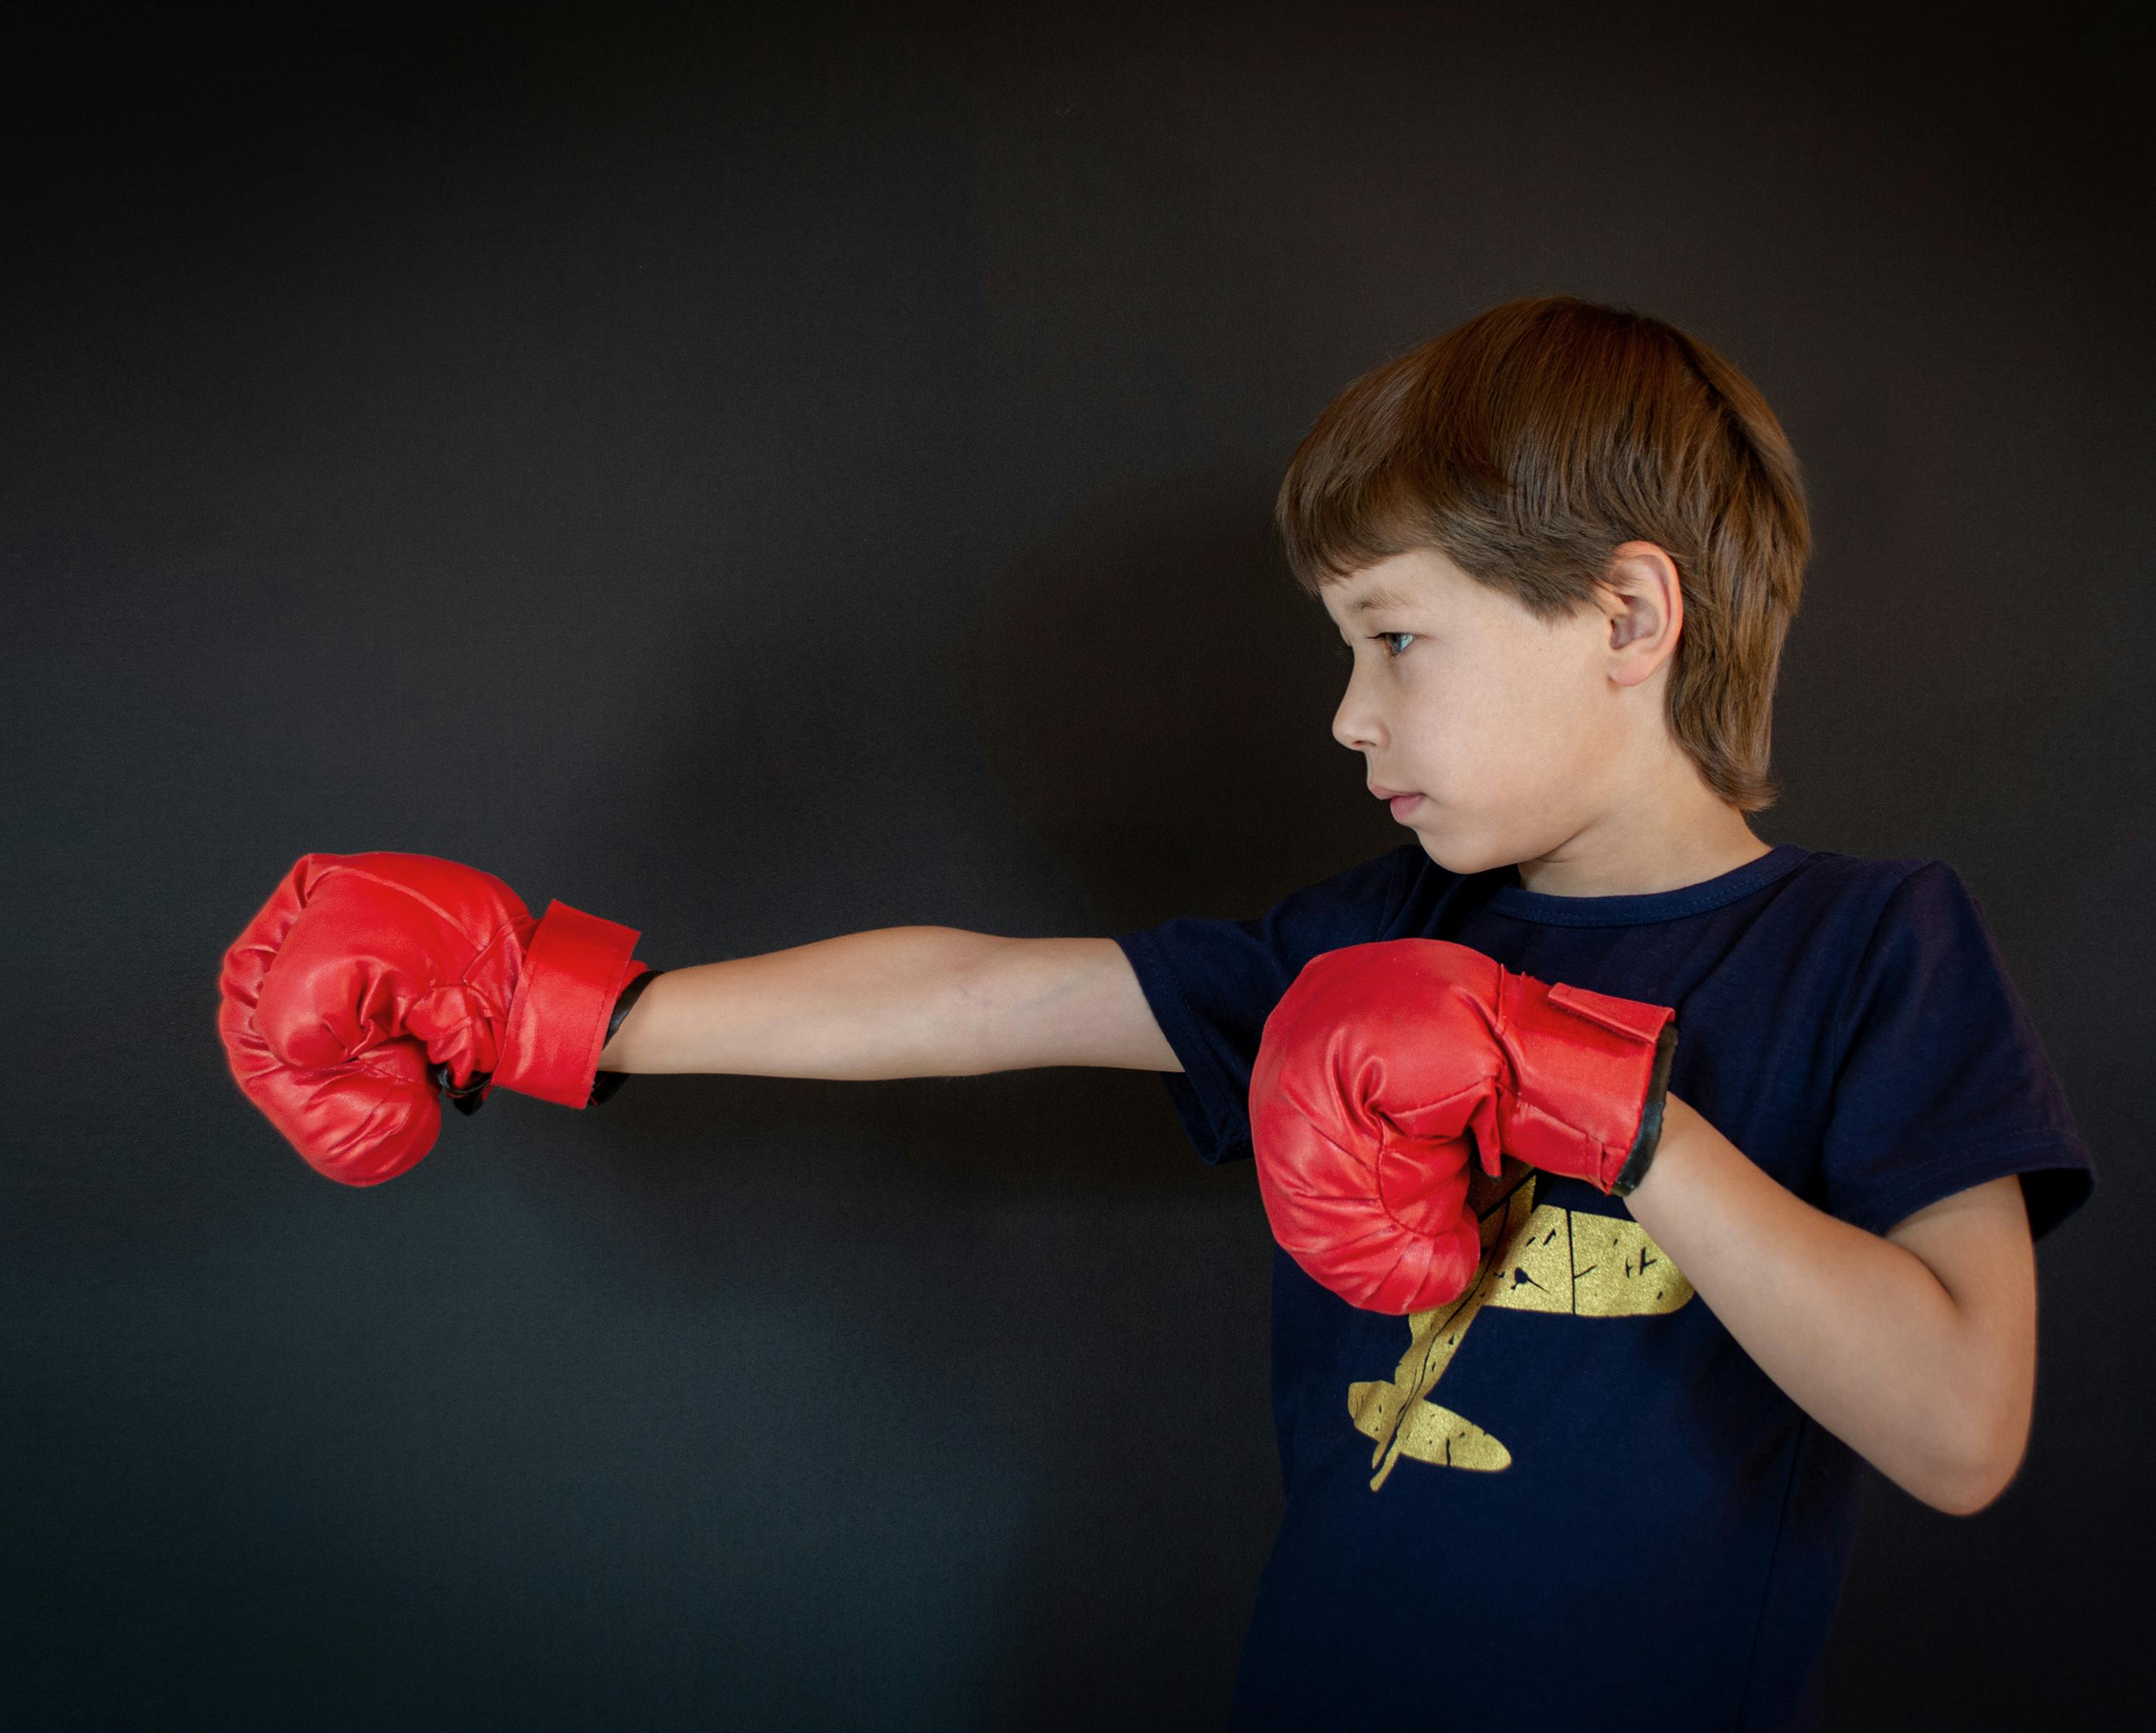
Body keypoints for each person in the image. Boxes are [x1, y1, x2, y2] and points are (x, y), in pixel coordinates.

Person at [217, 295, 2096, 1731]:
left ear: (1626, 617)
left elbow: (1960, 1428)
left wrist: (1610, 1106)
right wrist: (557, 1006)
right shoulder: (1363, 934)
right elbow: (971, 1000)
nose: (1349, 719)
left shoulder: (1876, 949)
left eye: (1396, 640)